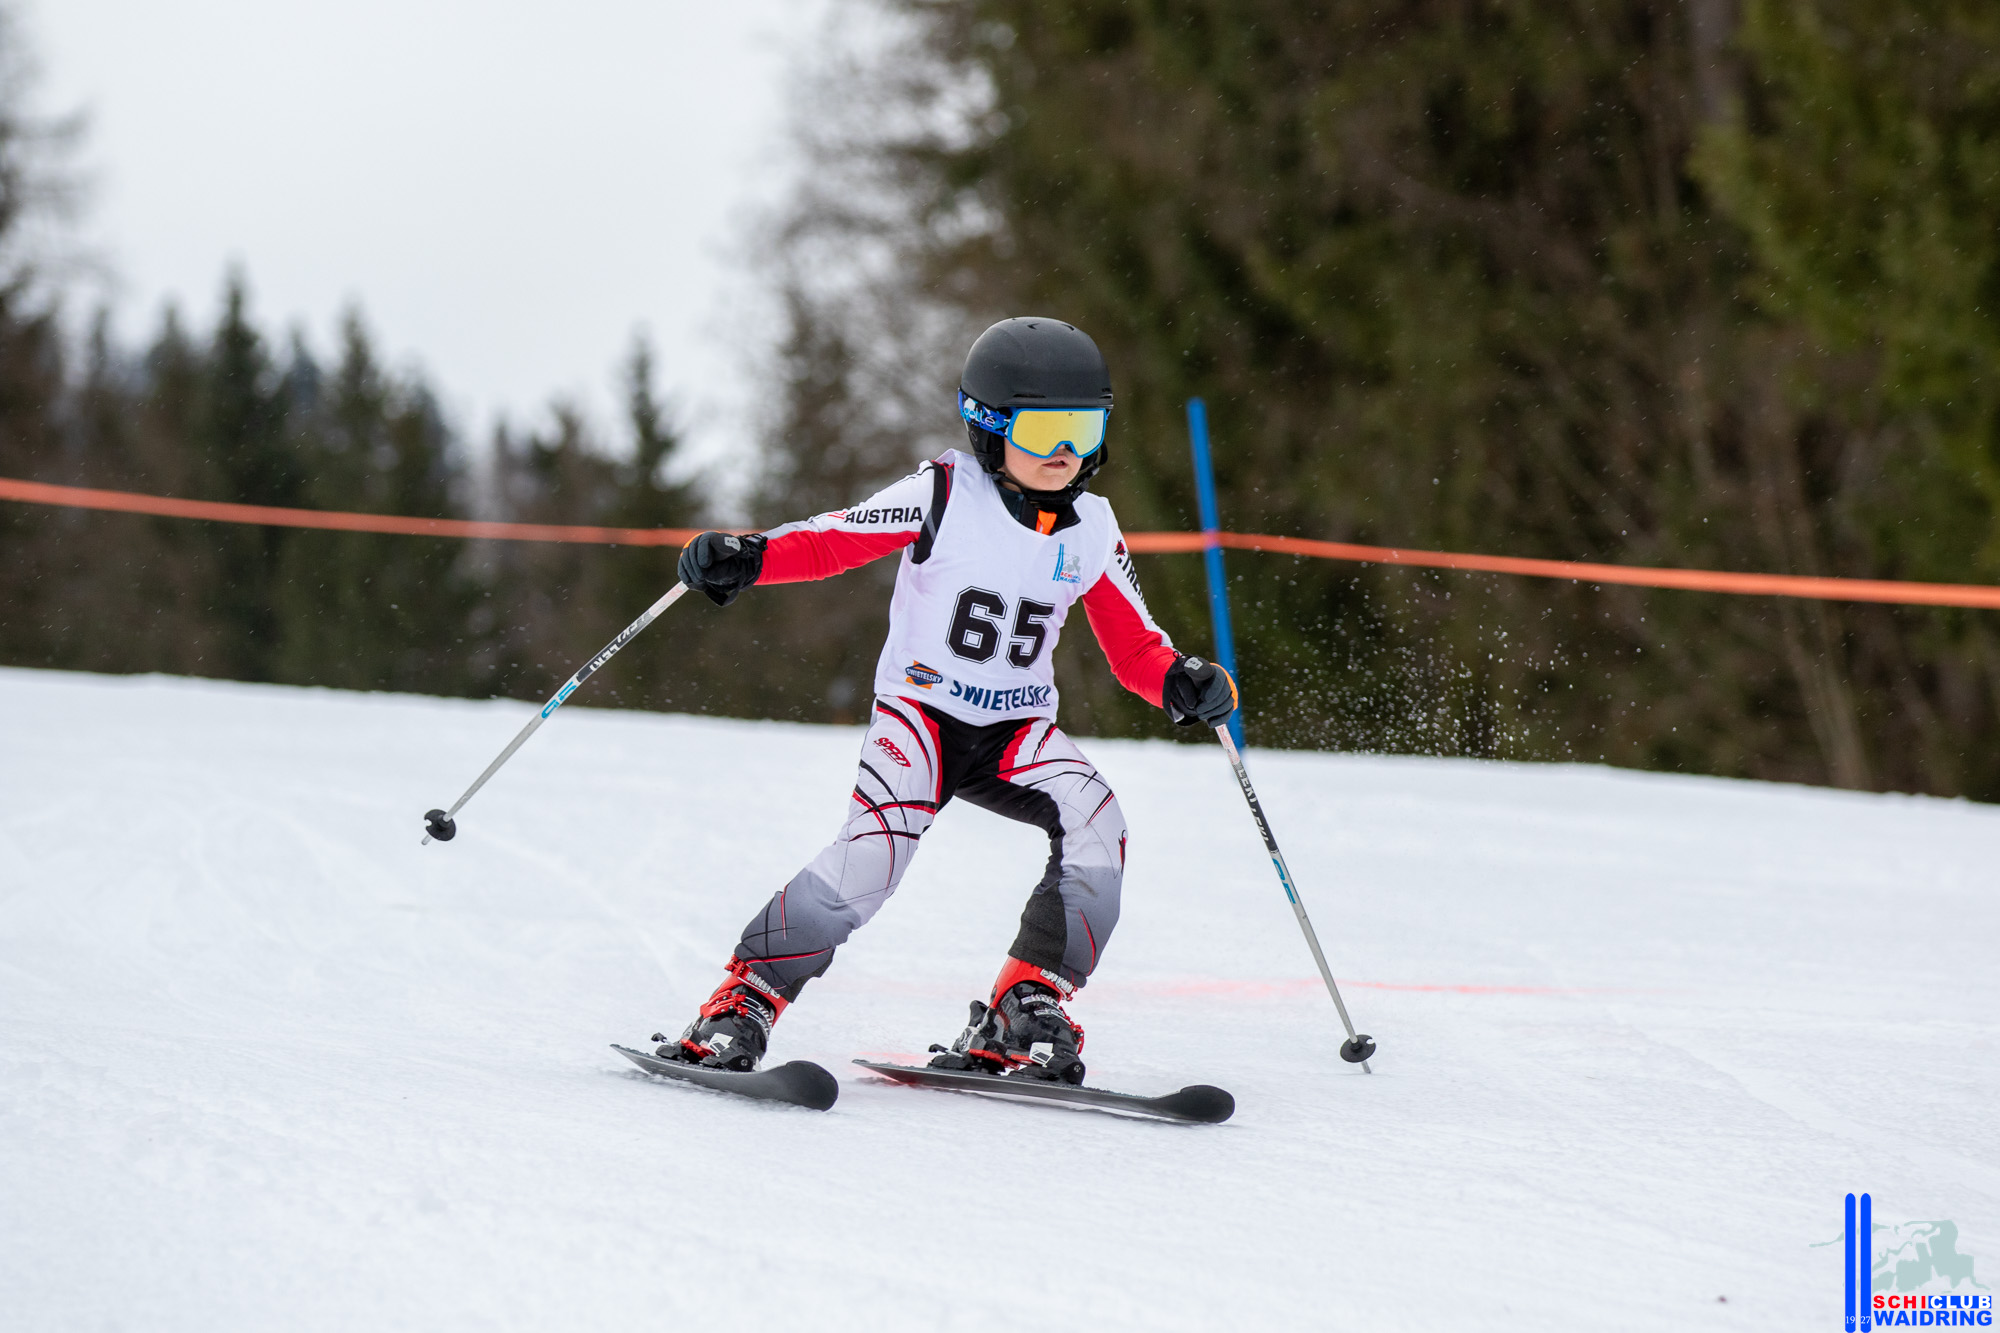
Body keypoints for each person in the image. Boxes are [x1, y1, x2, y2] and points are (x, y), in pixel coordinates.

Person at [663, 316, 1238, 1084]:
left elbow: (1135, 647)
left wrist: (1180, 680)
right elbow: (834, 539)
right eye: (1044, 432)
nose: (1066, 453)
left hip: (1014, 732)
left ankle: (1025, 1002)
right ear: (990, 427)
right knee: (873, 855)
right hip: (922, 717)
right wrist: (751, 557)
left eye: (1084, 429)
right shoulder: (943, 492)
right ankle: (743, 1001)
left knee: (1099, 820)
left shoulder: (1094, 528)